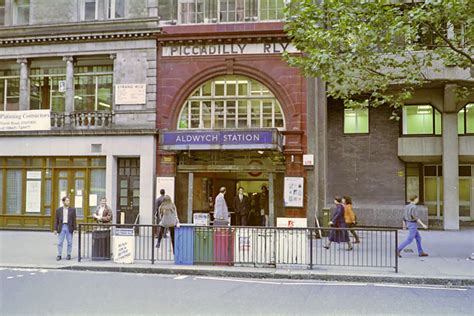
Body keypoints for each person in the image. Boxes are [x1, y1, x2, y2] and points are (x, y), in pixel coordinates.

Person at [54, 196, 77, 261]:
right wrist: (55, 229)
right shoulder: (58, 210)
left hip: (69, 227)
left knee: (69, 242)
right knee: (59, 242)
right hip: (61, 227)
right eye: (67, 201)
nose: (68, 202)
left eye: (69, 201)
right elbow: (56, 220)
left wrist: (75, 229)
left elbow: (74, 219)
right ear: (63, 202)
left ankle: (68, 254)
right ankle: (59, 255)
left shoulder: (72, 210)